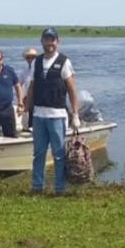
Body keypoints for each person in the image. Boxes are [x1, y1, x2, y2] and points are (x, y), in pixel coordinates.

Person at [24, 27, 80, 195]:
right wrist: (26, 110)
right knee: (38, 154)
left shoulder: (64, 62)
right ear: (42, 41)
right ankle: (37, 187)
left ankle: (59, 188)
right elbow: (32, 88)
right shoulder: (36, 62)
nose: (50, 43)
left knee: (58, 154)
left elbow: (72, 90)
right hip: (39, 116)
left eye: (52, 40)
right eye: (46, 39)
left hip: (57, 116)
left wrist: (75, 115)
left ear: (57, 41)